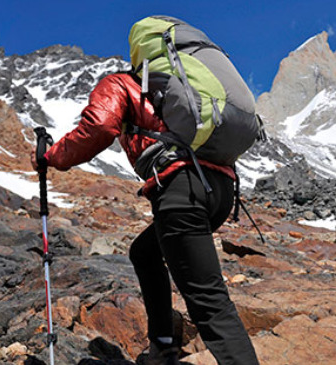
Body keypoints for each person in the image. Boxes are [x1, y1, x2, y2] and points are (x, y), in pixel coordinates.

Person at [30, 71, 260, 364]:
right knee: (144, 252)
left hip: (183, 189)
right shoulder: (180, 88)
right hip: (221, 190)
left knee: (209, 300)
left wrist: (50, 157)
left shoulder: (119, 83)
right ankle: (163, 346)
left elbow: (99, 125)